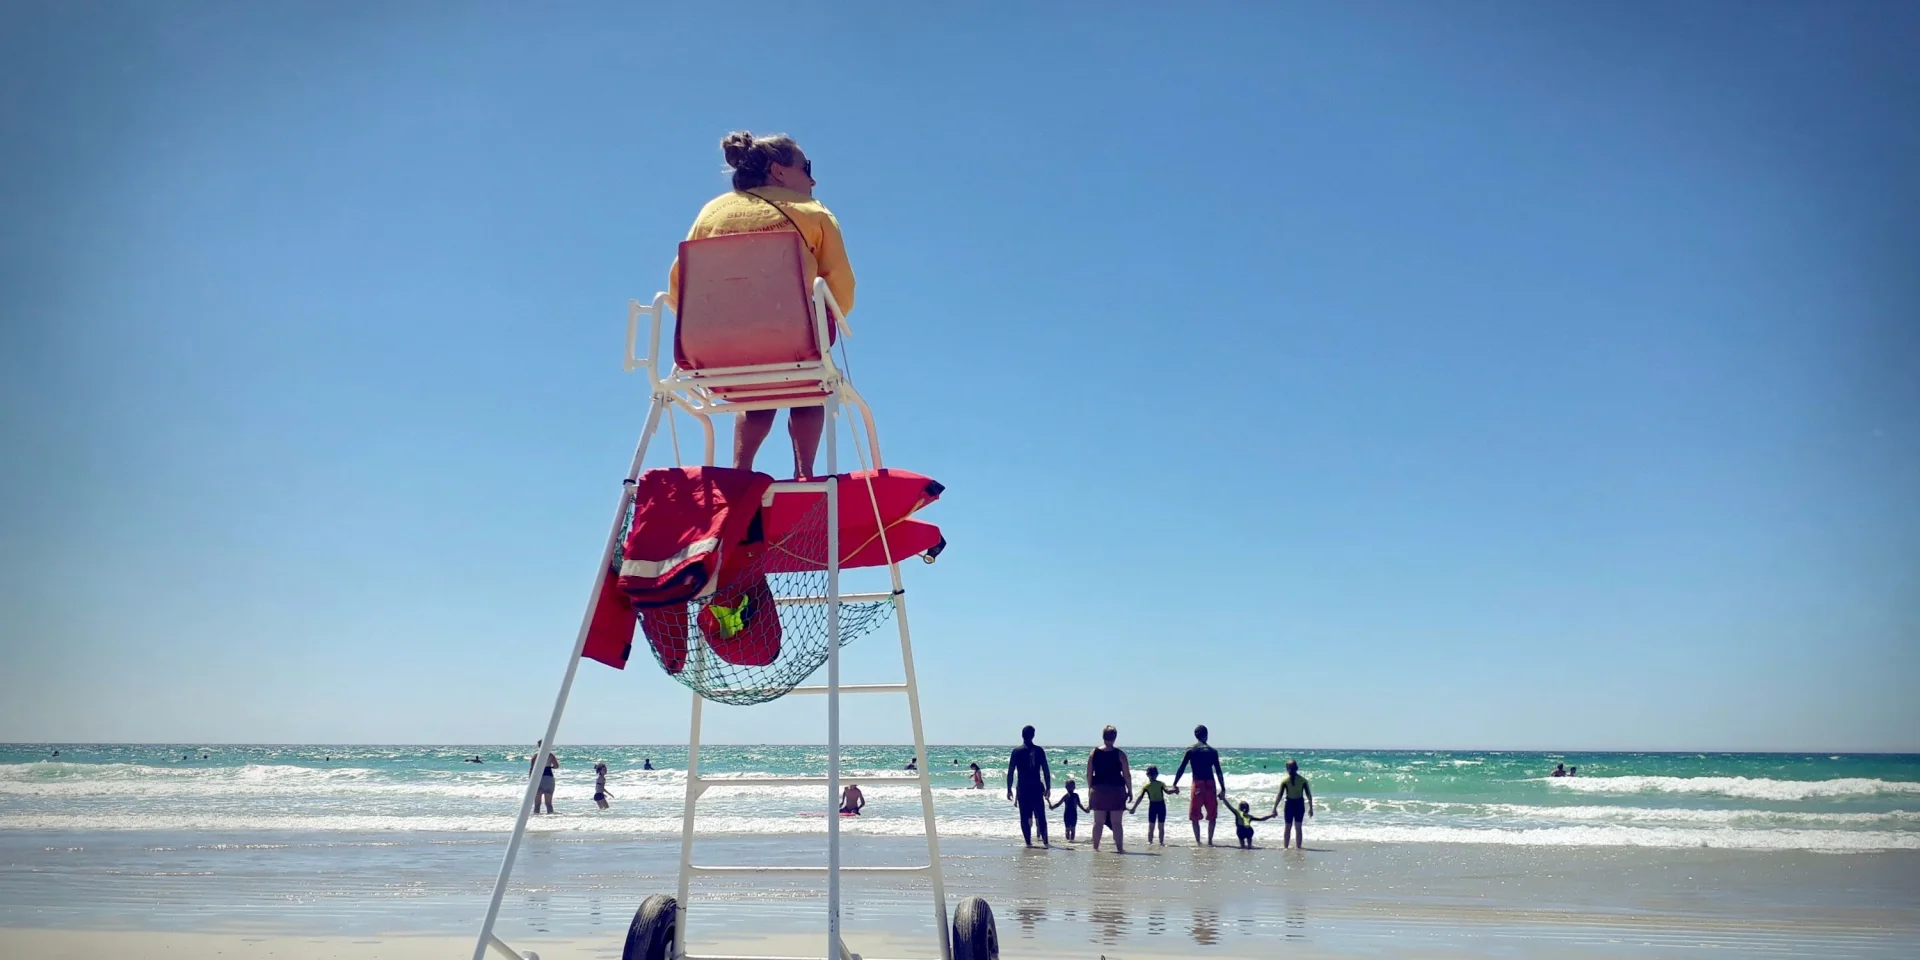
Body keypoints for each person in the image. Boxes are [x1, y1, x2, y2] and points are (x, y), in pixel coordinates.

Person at [666, 131, 855, 480]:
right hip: (793, 343)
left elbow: (680, 283)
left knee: (757, 390)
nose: (813, 180)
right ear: (778, 171)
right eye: (806, 168)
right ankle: (805, 474)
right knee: (810, 382)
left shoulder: (711, 212)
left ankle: (740, 472)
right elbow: (840, 287)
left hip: (710, 350)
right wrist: (835, 316)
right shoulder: (813, 212)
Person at [1173, 724, 1227, 846]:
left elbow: (1181, 768)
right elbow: (1218, 771)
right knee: (1212, 815)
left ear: (1195, 735)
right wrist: (1223, 788)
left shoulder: (1190, 750)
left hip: (1197, 784)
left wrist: (1175, 783)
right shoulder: (1213, 751)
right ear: (1207, 735)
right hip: (1210, 784)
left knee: (1194, 815)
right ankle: (1210, 841)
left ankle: (1198, 841)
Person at [1086, 726, 1132, 853]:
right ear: (1115, 737)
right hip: (1116, 790)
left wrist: (1090, 789)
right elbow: (1127, 775)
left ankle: (1095, 848)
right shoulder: (1120, 754)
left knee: (1098, 822)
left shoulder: (1094, 753)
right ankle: (1120, 848)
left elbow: (1089, 774)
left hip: (1098, 789)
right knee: (1116, 823)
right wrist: (1130, 790)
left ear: (1103, 736)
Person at [1006, 725, 1054, 848]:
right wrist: (1048, 787)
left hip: (1023, 788)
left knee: (1024, 817)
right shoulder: (1039, 750)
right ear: (1033, 735)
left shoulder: (1017, 751)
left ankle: (1028, 843)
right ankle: (1045, 842)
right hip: (1036, 787)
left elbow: (1011, 771)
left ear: (1022, 735)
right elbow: (1046, 770)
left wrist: (1009, 789)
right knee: (1041, 816)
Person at [1129, 765, 1178, 846]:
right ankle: (1161, 843)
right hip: (1161, 806)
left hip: (1153, 806)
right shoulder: (1161, 784)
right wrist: (1174, 791)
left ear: (1147, 775)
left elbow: (1140, 797)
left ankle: (1150, 843)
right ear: (1157, 774)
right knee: (1160, 826)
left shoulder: (1147, 786)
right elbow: (1168, 792)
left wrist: (1134, 808)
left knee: (1151, 826)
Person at [1272, 759, 1314, 849]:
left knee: (1297, 827)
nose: (1291, 770)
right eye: (1289, 768)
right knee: (1288, 827)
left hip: (1298, 804)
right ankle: (1286, 847)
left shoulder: (1303, 781)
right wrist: (1274, 808)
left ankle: (1298, 847)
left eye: (1292, 768)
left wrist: (1311, 808)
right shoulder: (1285, 781)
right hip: (1290, 804)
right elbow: (1280, 795)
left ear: (1296, 768)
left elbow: (1308, 795)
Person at [530, 740, 559, 815]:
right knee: (549, 804)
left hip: (538, 779)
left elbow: (532, 769)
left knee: (537, 804)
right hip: (549, 778)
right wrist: (551, 767)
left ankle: (536, 819)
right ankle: (550, 819)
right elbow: (556, 766)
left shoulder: (535, 755)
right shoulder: (550, 755)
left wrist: (530, 780)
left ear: (539, 746)